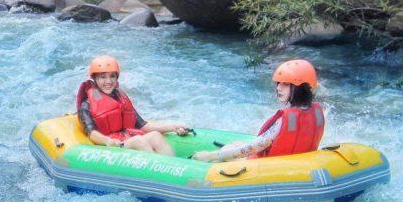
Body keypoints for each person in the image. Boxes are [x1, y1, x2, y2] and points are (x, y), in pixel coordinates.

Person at [192, 59, 325, 163]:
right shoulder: (318, 112)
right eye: (278, 83)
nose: (278, 88)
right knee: (234, 144)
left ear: (299, 87)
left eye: (285, 84)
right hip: (300, 165)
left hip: (270, 168)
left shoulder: (284, 120)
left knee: (227, 151)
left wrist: (209, 156)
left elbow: (252, 149)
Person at [77, 55, 190, 156]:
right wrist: (108, 141)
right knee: (138, 141)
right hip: (109, 145)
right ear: (95, 79)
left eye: (112, 76)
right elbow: (92, 134)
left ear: (117, 78)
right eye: (103, 77)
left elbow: (142, 125)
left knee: (155, 135)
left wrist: (172, 127)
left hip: (125, 139)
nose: (108, 81)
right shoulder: (86, 105)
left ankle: (172, 169)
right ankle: (160, 173)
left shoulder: (120, 98)